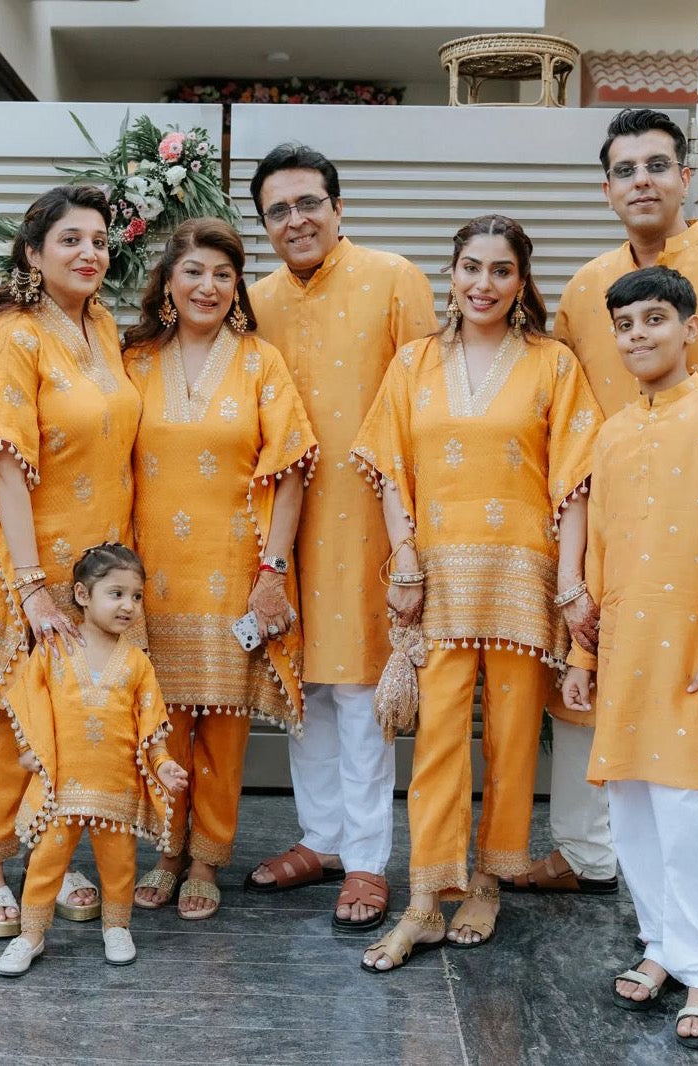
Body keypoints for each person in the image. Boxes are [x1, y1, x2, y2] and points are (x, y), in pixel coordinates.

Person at [509, 107, 698, 898]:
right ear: (607, 189)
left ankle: (690, 931)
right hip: (604, 530)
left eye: (657, 165)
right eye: (625, 170)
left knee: (694, 720)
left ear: (686, 177)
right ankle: (589, 858)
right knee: (586, 688)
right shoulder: (589, 288)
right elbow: (561, 400)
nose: (642, 181)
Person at [352, 214, 601, 971]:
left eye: (500, 270)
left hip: (524, 574)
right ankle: (426, 899)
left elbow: (576, 479)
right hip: (438, 577)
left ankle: (488, 879)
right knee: (437, 742)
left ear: (521, 282)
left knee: (515, 735)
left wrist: (569, 583)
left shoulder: (553, 363)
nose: (483, 283)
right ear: (451, 274)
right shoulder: (415, 362)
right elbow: (391, 467)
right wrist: (402, 560)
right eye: (470, 267)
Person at [563, 265, 698, 1051]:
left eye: (655, 320)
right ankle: (662, 947)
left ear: (689, 327)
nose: (639, 335)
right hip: (627, 657)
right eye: (626, 324)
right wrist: (584, 651)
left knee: (694, 817)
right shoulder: (613, 432)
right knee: (637, 812)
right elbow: (602, 555)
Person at [243, 144, 438, 931]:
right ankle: (319, 841)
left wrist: (418, 541)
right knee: (307, 689)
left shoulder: (395, 280)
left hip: (372, 525)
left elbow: (426, 408)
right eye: (278, 211)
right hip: (282, 528)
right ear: (264, 226)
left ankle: (364, 860)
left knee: (360, 694)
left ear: (338, 207)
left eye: (308, 203)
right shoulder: (253, 299)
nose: (297, 220)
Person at [123, 218, 316, 919]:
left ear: (238, 287)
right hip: (150, 572)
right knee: (161, 718)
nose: (208, 286)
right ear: (169, 283)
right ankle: (165, 850)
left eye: (223, 274)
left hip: (236, 566)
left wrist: (272, 570)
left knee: (225, 722)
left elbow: (291, 466)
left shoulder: (261, 361)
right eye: (194, 272)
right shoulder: (134, 359)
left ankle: (206, 856)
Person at [0, 185, 142, 936]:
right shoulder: (14, 335)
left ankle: (51, 847)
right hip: (36, 563)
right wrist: (33, 589)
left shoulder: (100, 325)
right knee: (22, 711)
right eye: (70, 239)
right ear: (33, 253)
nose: (89, 253)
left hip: (101, 566)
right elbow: (4, 461)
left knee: (82, 715)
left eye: (99, 240)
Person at [0, 544, 189, 976]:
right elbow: (29, 699)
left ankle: (116, 927)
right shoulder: (52, 651)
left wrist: (162, 766)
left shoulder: (138, 664)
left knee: (119, 865)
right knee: (46, 863)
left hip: (116, 788)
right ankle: (30, 935)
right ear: (83, 595)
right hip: (62, 786)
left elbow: (151, 731)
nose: (128, 606)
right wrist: (29, 750)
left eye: (136, 596)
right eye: (116, 593)